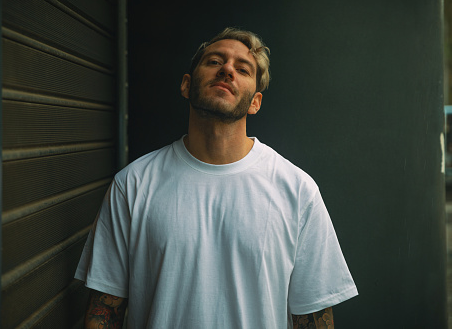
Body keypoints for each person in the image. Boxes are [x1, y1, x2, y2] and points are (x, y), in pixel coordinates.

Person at [75, 27, 358, 329]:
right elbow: (104, 313)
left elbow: (313, 319)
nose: (227, 70)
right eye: (214, 61)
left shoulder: (298, 191)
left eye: (243, 68)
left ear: (255, 102)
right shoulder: (132, 185)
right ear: (186, 85)